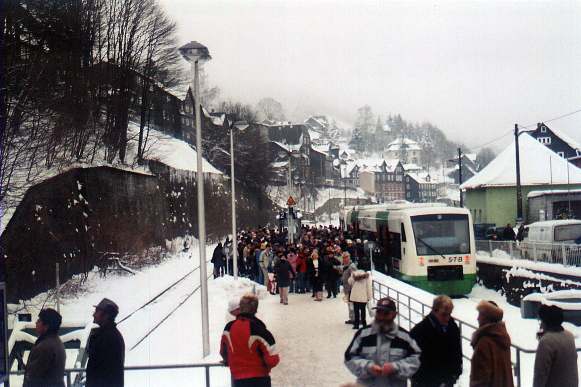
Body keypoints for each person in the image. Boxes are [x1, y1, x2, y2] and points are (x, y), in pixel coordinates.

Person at [345, 297, 421, 387]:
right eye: (379, 312)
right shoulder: (363, 334)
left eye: (386, 313)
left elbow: (416, 360)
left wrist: (396, 367)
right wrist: (368, 367)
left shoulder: (405, 337)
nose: (381, 316)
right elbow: (349, 357)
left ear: (394, 315)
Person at [220, 293, 280, 387]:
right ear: (255, 310)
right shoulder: (261, 330)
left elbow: (223, 352)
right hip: (260, 378)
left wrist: (229, 362)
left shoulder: (228, 328)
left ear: (240, 308)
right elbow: (273, 359)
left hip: (238, 379)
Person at [410, 296, 462, 387]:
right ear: (434, 310)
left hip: (447, 382)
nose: (447, 318)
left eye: (449, 314)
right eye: (444, 314)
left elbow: (457, 353)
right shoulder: (419, 331)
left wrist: (454, 375)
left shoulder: (453, 328)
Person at [470, 300, 513, 387]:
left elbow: (481, 379)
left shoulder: (484, 343)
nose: (477, 318)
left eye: (480, 315)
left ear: (487, 318)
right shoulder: (503, 338)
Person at [533, 304, 578, 387]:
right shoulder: (569, 336)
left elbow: (540, 374)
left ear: (546, 322)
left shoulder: (546, 342)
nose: (540, 324)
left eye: (541, 320)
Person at [86, 298, 125, 387]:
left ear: (106, 315)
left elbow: (101, 370)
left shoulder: (107, 338)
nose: (94, 315)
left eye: (97, 312)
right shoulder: (110, 335)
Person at [23, 308, 66, 387]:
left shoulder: (45, 347)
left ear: (46, 326)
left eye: (39, 321)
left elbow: (34, 377)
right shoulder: (55, 341)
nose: (36, 323)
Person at [341, 252, 357, 325]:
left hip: (351, 288)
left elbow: (354, 277)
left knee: (353, 304)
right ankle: (352, 318)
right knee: (350, 304)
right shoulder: (345, 266)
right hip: (347, 288)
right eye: (343, 258)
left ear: (349, 257)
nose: (344, 259)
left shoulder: (351, 266)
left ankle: (356, 319)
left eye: (346, 257)